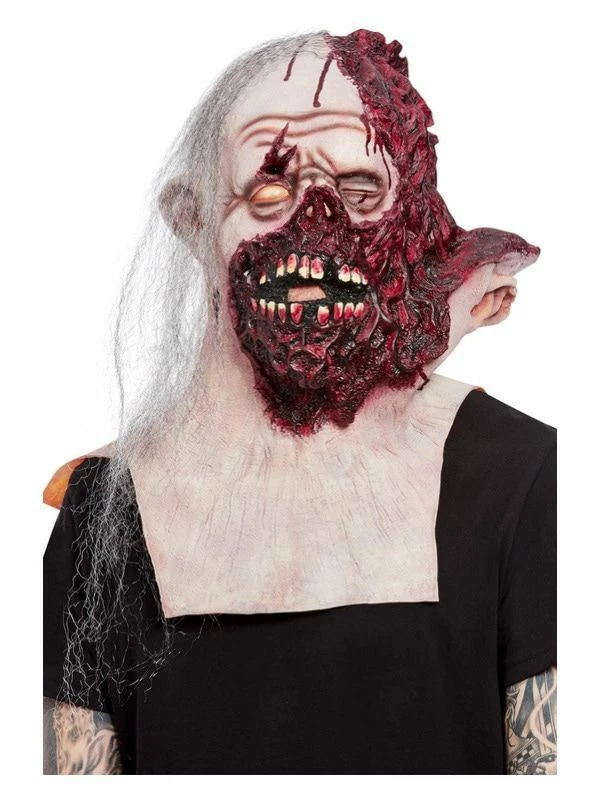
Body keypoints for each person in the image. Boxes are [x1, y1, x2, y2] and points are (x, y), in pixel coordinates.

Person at [42, 29, 557, 775]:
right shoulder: (105, 514)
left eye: (361, 191)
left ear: (415, 221)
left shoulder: (522, 476)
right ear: (195, 222)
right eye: (268, 189)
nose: (316, 223)